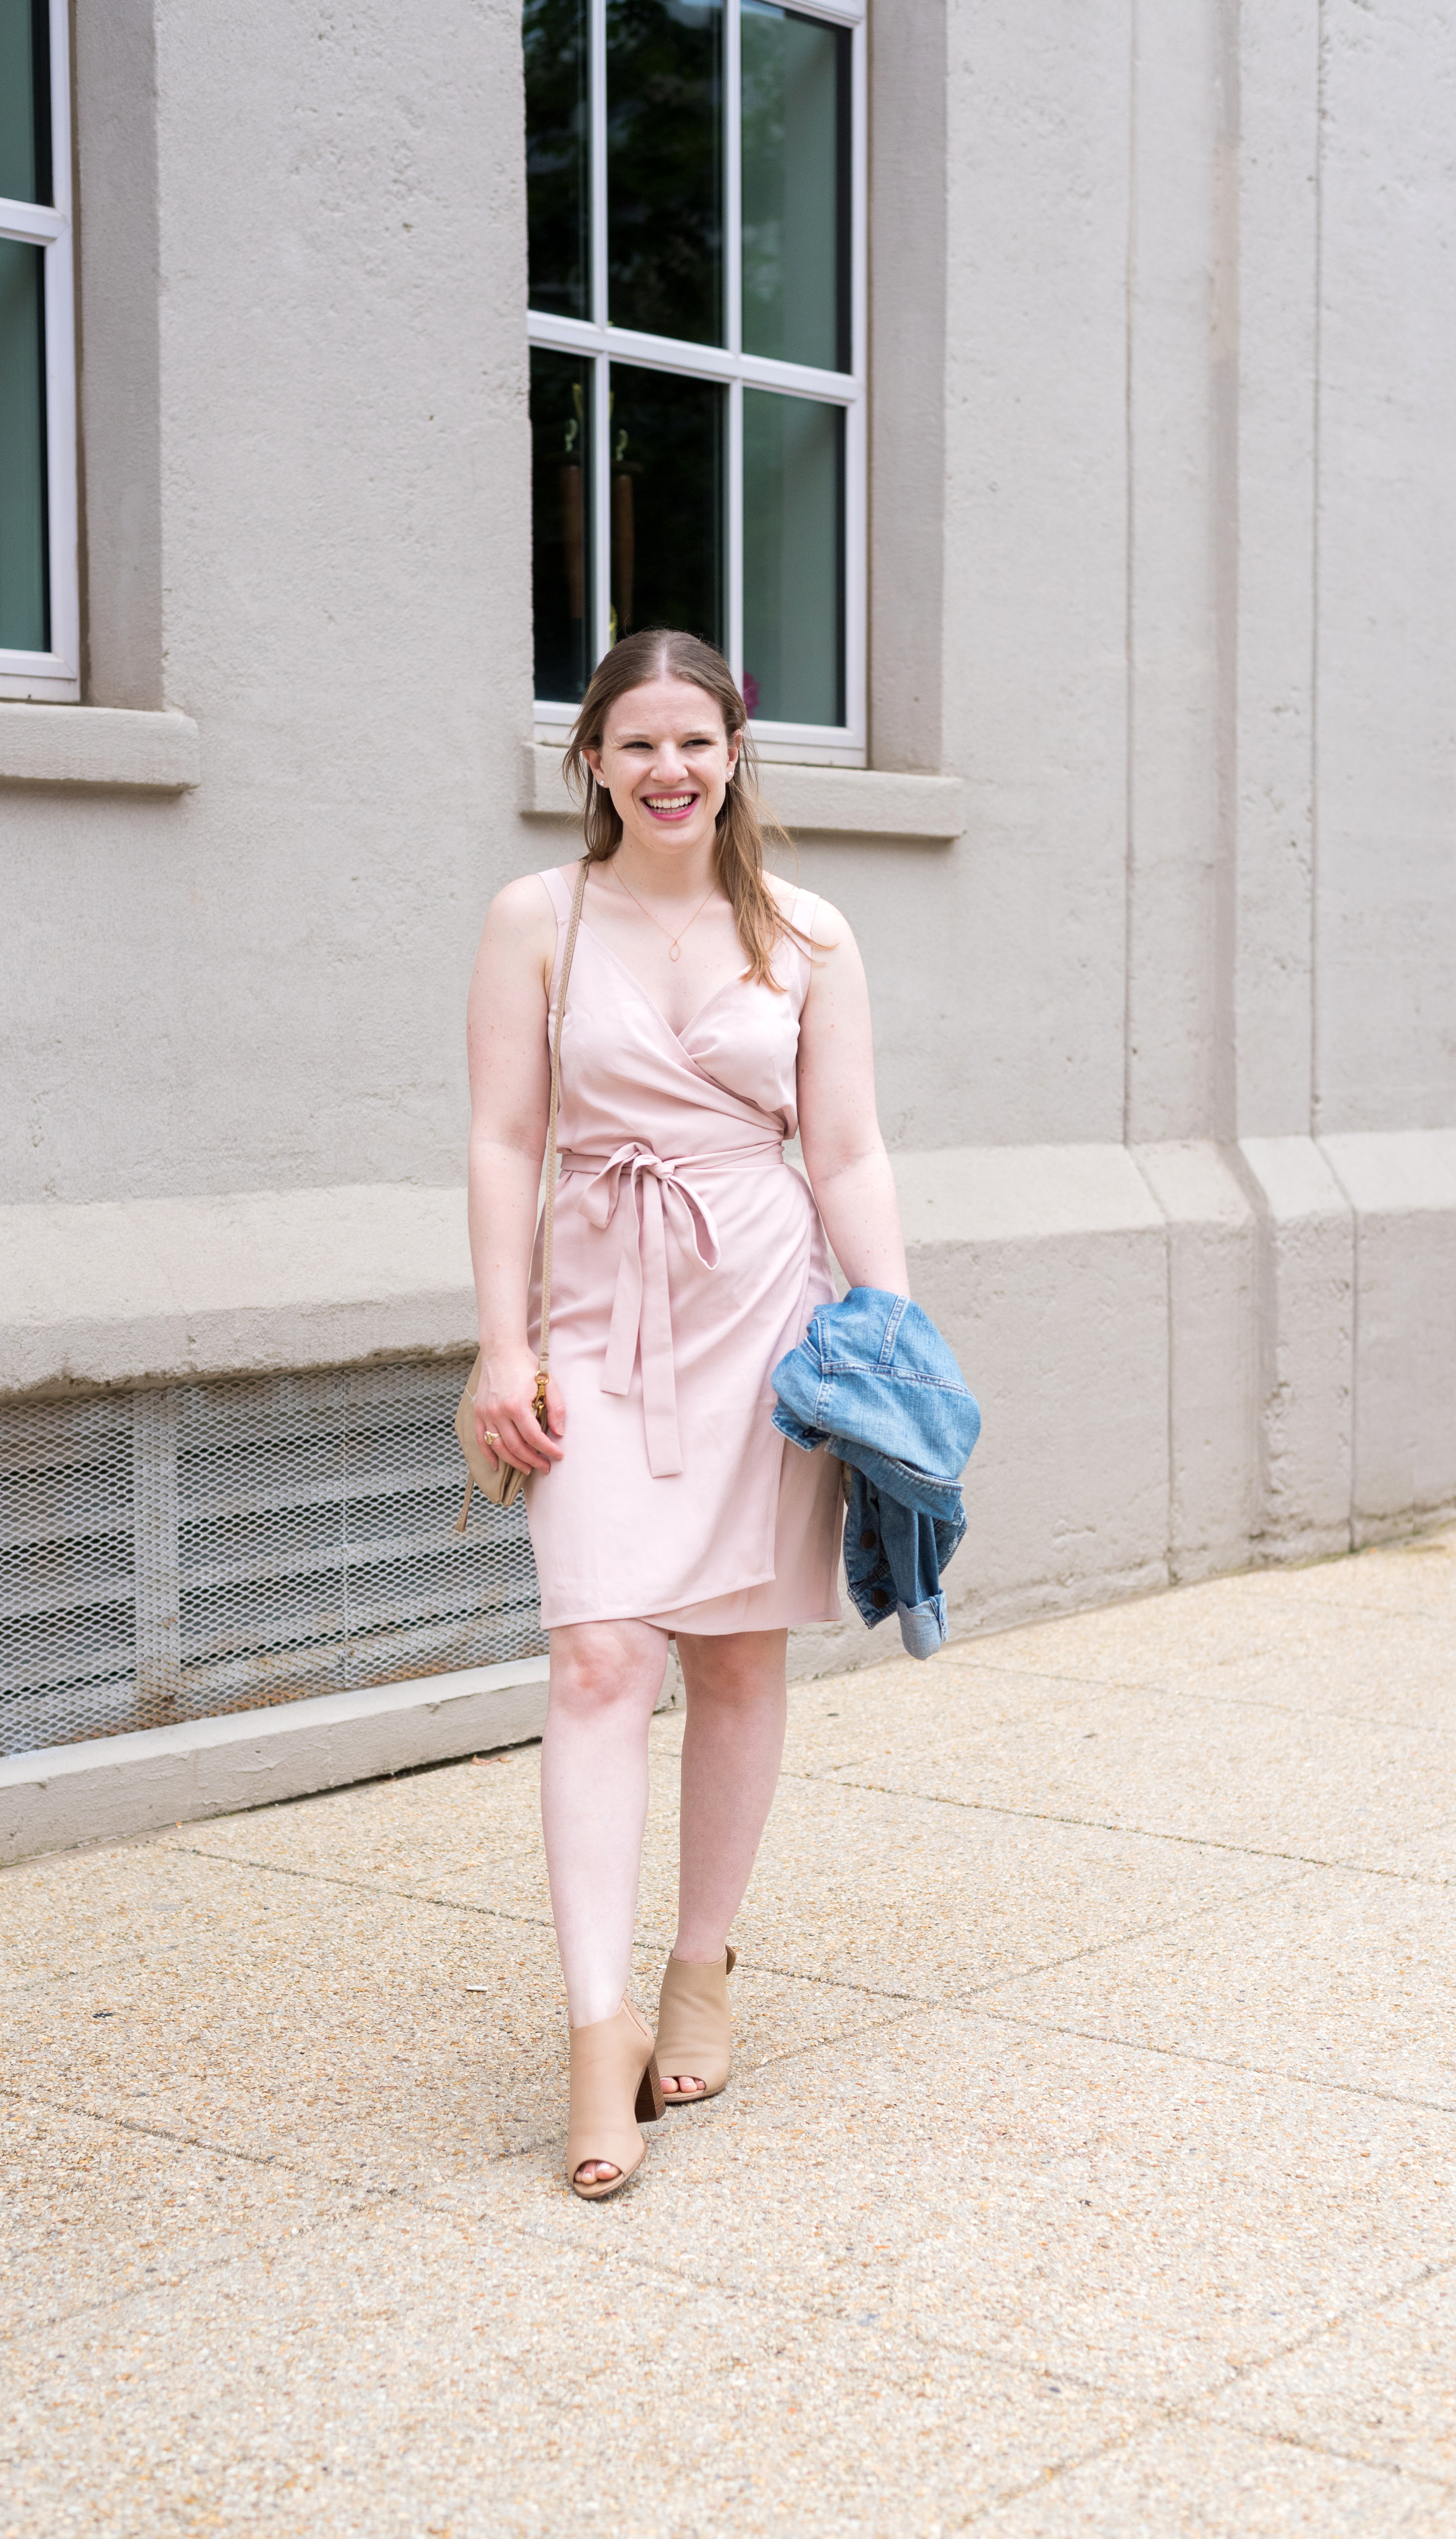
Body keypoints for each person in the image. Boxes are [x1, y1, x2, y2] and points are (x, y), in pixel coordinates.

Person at [464, 628, 908, 2197]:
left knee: (734, 1652)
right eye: (635, 742)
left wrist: (889, 1336)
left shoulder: (809, 934)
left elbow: (844, 1153)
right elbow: (506, 1141)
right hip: (593, 1315)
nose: (668, 770)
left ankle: (700, 1963)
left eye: (695, 743)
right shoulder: (537, 920)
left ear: (736, 754)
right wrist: (498, 1344)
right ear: (589, 758)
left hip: (761, 1317)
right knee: (597, 1652)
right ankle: (593, 2034)